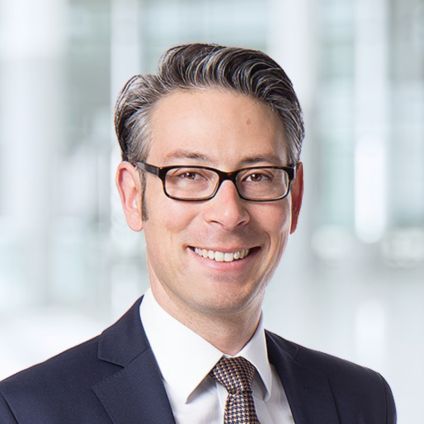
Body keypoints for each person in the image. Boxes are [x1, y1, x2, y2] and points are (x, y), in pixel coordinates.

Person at [0, 43, 396, 424]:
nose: (228, 213)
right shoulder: (27, 412)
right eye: (190, 175)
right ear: (132, 195)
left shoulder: (361, 400)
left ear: (295, 196)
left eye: (258, 176)